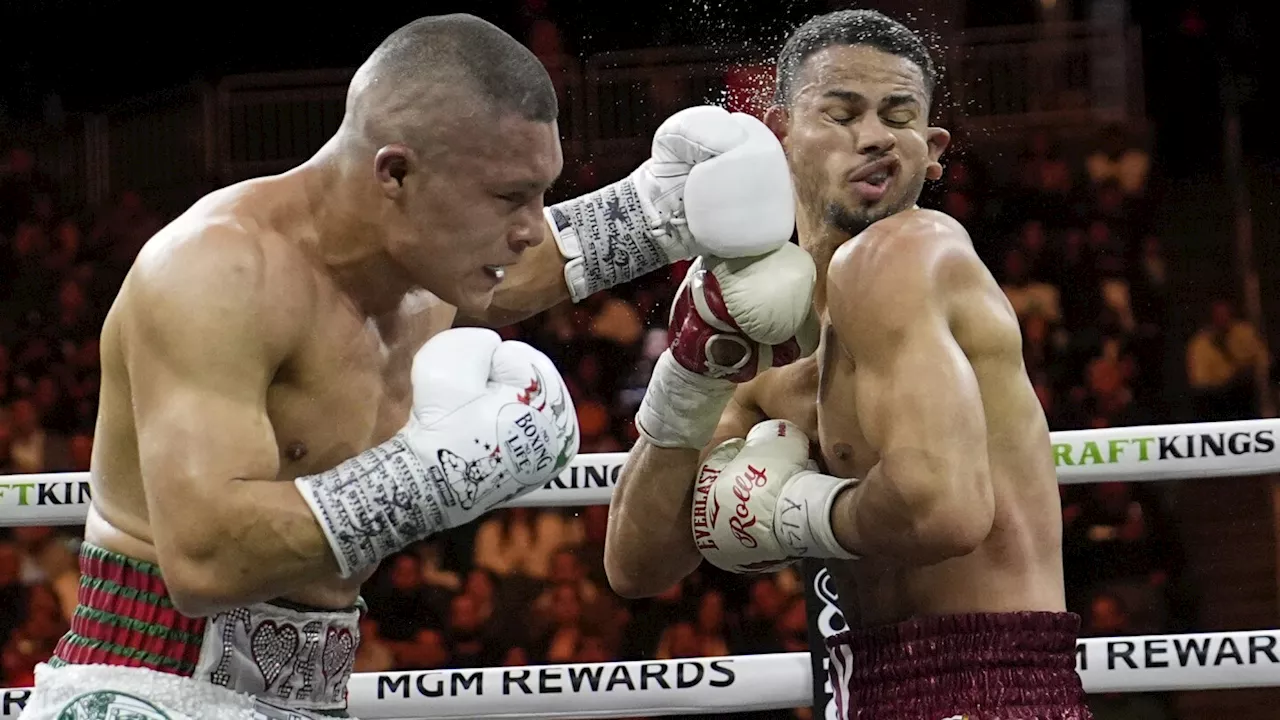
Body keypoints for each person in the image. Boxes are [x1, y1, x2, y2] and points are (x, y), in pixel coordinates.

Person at [18, 13, 795, 720]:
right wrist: (435, 475)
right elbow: (204, 559)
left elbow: (535, 262)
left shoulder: (420, 270)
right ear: (394, 174)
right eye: (508, 197)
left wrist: (659, 212)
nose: (528, 227)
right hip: (150, 690)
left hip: (309, 698)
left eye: (541, 195)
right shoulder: (217, 273)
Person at [605, 10, 1091, 720]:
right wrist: (690, 371)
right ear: (777, 134)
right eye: (840, 113)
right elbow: (637, 563)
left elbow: (944, 511)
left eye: (899, 117)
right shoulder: (757, 323)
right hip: (861, 687)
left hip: (988, 685)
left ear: (933, 152)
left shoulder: (914, 252)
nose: (873, 137)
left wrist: (799, 515)